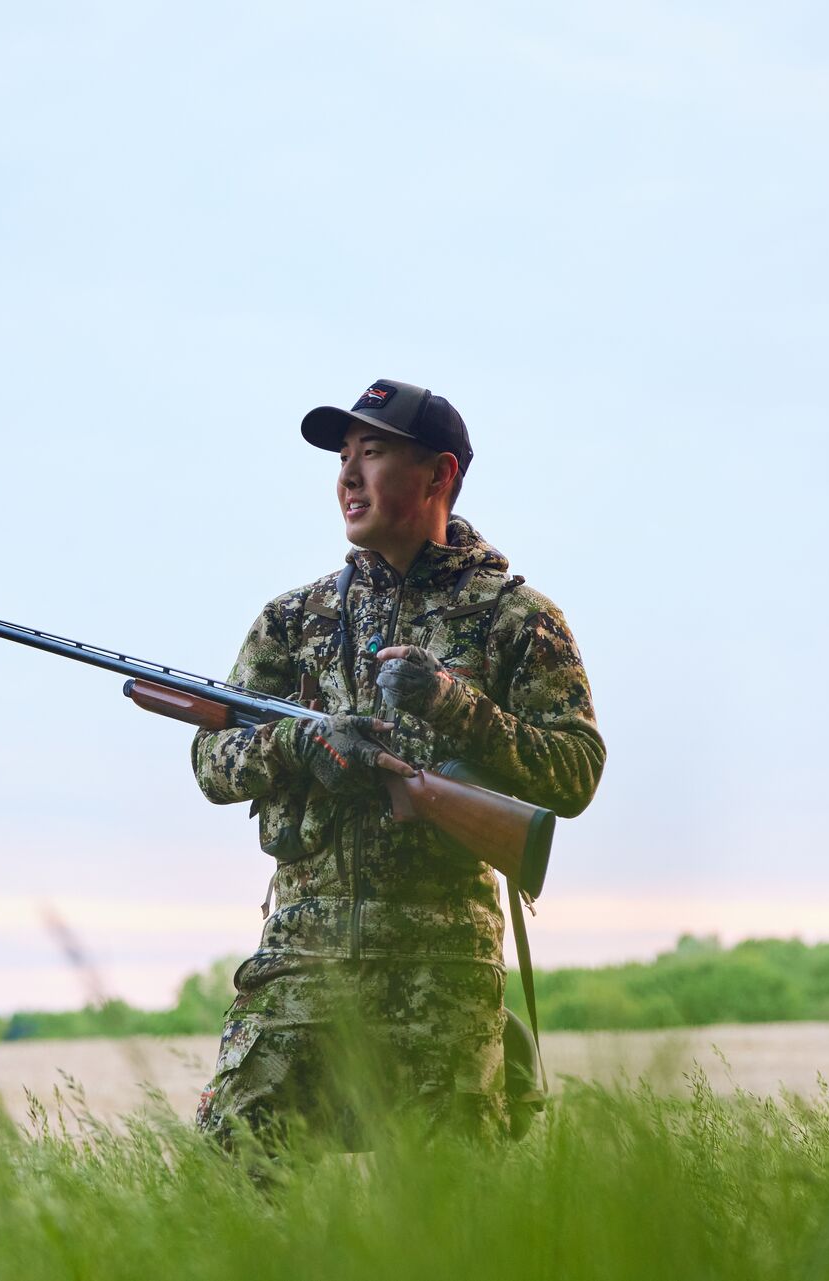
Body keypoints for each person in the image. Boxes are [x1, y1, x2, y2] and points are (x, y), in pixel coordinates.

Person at [190, 378, 606, 1151]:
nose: (347, 476)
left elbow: (575, 773)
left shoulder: (518, 618)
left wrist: (453, 703)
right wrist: (300, 744)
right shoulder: (293, 620)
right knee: (231, 1187)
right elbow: (212, 758)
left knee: (448, 1232)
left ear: (439, 474)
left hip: (441, 978)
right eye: (342, 457)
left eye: (371, 453)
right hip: (300, 970)